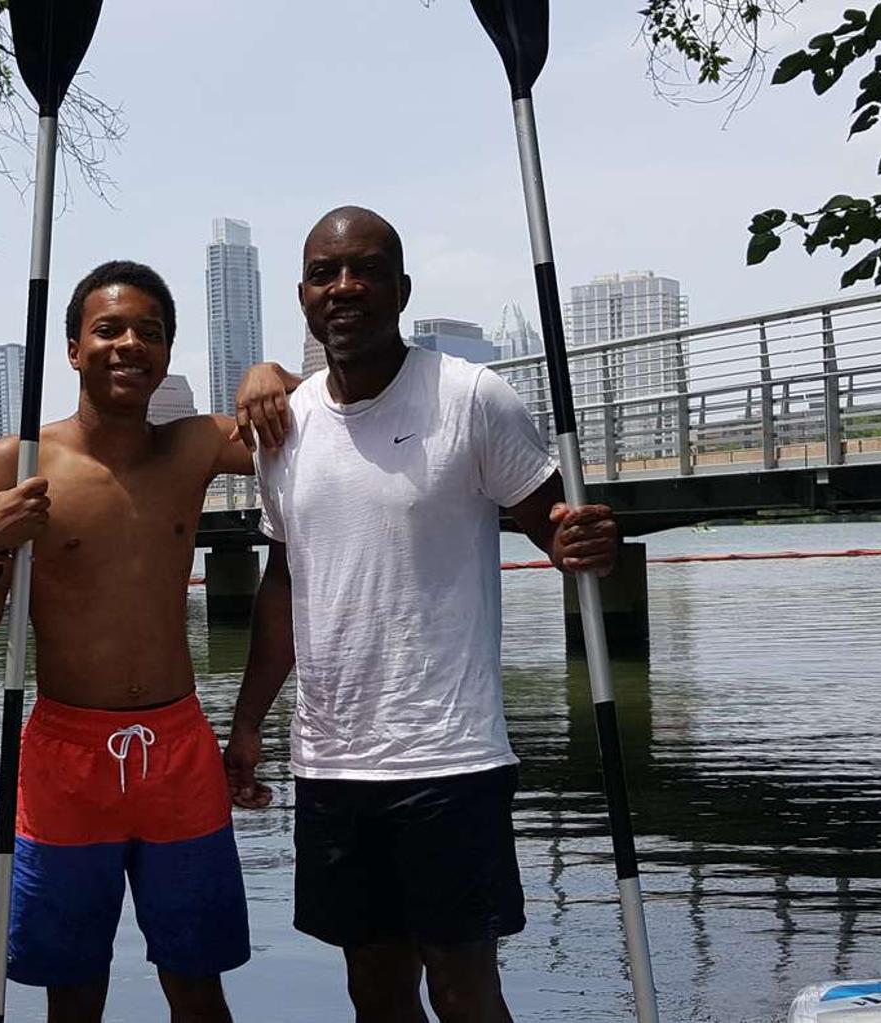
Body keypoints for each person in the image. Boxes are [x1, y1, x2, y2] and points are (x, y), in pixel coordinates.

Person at [224, 207, 622, 1023]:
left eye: (366, 270)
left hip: (449, 757)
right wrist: (247, 723)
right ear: (303, 294)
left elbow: (556, 529)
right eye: (326, 274)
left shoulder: (473, 398)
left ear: (400, 288)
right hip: (331, 762)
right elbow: (282, 587)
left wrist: (586, 540)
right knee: (373, 984)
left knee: (463, 985)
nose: (346, 288)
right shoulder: (283, 426)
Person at [0, 260, 257, 1023]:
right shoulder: (15, 463)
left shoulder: (196, 446)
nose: (129, 345)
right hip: (66, 757)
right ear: (74, 349)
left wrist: (268, 372)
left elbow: (315, 427)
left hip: (178, 751)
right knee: (73, 990)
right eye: (108, 329)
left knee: (198, 985)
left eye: (149, 333)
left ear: (167, 354)